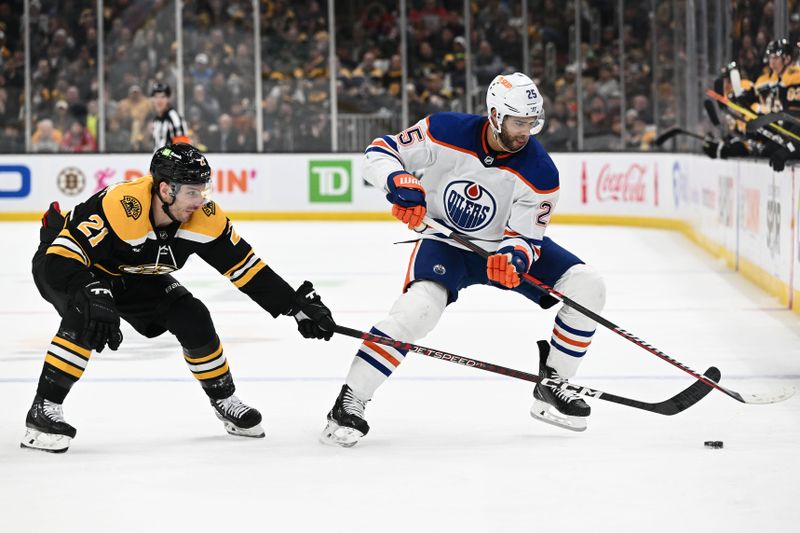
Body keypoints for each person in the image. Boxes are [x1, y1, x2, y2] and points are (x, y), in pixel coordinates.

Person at [321, 73, 606, 447]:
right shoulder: (445, 129)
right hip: (446, 243)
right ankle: (349, 403)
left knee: (587, 285)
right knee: (415, 313)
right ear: (494, 114)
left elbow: (527, 237)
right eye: (519, 122)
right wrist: (399, 182)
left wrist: (515, 258)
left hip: (501, 248)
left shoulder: (541, 171)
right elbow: (379, 151)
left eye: (532, 123)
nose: (526, 132)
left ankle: (553, 382)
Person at [22, 142, 335, 453]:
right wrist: (92, 290)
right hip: (70, 266)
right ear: (165, 190)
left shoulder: (205, 218)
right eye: (192, 192)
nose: (200, 201)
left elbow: (247, 268)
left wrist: (294, 306)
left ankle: (224, 399)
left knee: (192, 315)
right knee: (86, 311)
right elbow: (60, 261)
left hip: (132, 274)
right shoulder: (122, 205)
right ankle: (42, 411)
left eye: (203, 191)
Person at [151, 83, 190, 149]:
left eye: (163, 97)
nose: (159, 100)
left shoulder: (175, 119)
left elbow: (183, 149)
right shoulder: (157, 119)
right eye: (156, 97)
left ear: (168, 99)